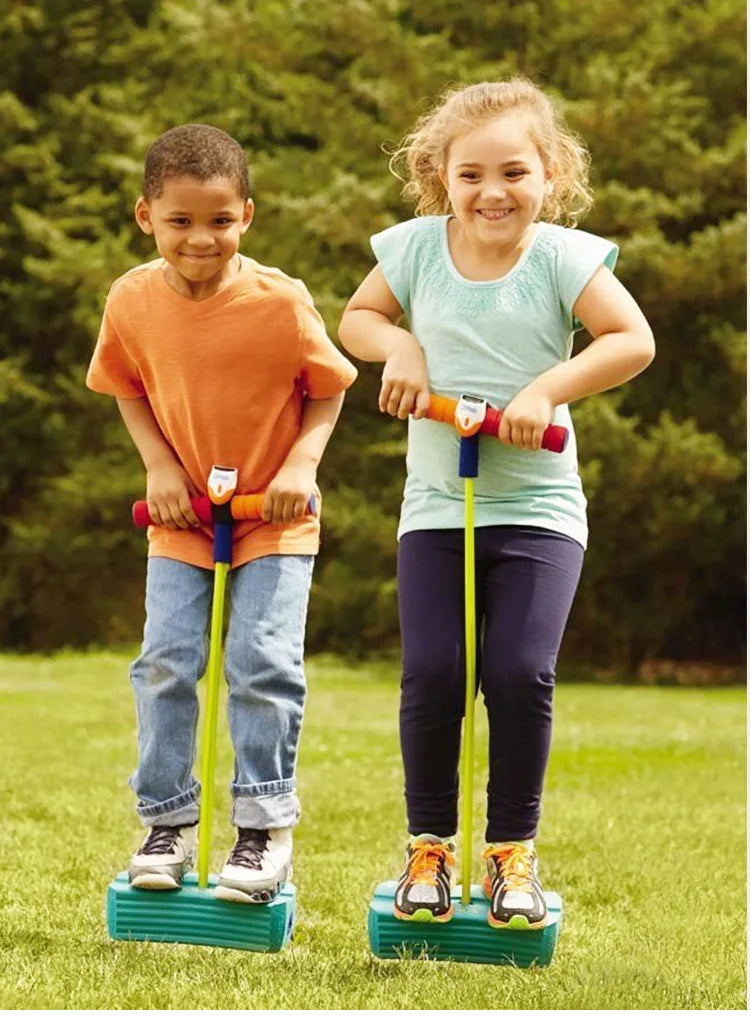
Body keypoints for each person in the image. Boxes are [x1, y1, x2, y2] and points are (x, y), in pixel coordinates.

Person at [339, 77, 654, 928]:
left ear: (550, 173)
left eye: (514, 172)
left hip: (540, 508)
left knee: (517, 673)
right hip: (439, 504)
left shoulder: (561, 257)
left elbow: (632, 340)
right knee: (436, 672)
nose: (492, 192)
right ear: (441, 176)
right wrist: (397, 343)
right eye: (470, 175)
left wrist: (548, 389)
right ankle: (429, 848)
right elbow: (356, 320)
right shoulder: (413, 249)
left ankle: (512, 852)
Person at [87, 124, 357, 903]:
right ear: (146, 217)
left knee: (261, 664)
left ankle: (262, 831)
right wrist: (160, 465)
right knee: (166, 662)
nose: (201, 239)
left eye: (219, 220)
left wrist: (302, 465)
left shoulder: (280, 300)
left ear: (248, 215)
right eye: (180, 221)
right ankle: (164, 823)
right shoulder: (132, 299)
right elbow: (126, 386)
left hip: (274, 515)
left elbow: (329, 386)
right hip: (182, 518)